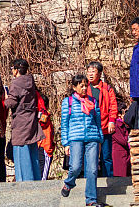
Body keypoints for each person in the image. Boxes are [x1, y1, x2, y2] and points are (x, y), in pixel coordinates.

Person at [59, 75, 102, 207]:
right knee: (76, 166)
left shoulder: (93, 101)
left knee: (93, 169)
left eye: (85, 85)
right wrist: (65, 143)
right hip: (75, 138)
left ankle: (91, 200)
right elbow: (64, 124)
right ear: (74, 87)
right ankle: (69, 183)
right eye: (81, 86)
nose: (84, 88)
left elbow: (98, 121)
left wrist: (100, 139)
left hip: (92, 138)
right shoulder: (68, 102)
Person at [4, 59, 45, 181]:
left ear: (16, 70)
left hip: (21, 122)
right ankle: (36, 180)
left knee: (22, 154)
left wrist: (6, 98)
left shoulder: (16, 83)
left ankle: (25, 183)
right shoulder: (30, 81)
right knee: (33, 154)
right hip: (31, 120)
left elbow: (11, 102)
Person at [83, 62, 117, 175]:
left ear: (100, 73)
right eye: (88, 72)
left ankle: (109, 181)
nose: (90, 74)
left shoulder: (107, 88)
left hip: (105, 126)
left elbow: (113, 106)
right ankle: (89, 181)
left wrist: (112, 121)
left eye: (93, 72)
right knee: (90, 156)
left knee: (106, 157)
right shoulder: (84, 88)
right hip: (90, 127)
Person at [110, 101, 131, 178]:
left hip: (126, 155)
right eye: (125, 112)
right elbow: (123, 141)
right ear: (119, 114)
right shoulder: (115, 126)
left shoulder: (124, 125)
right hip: (119, 155)